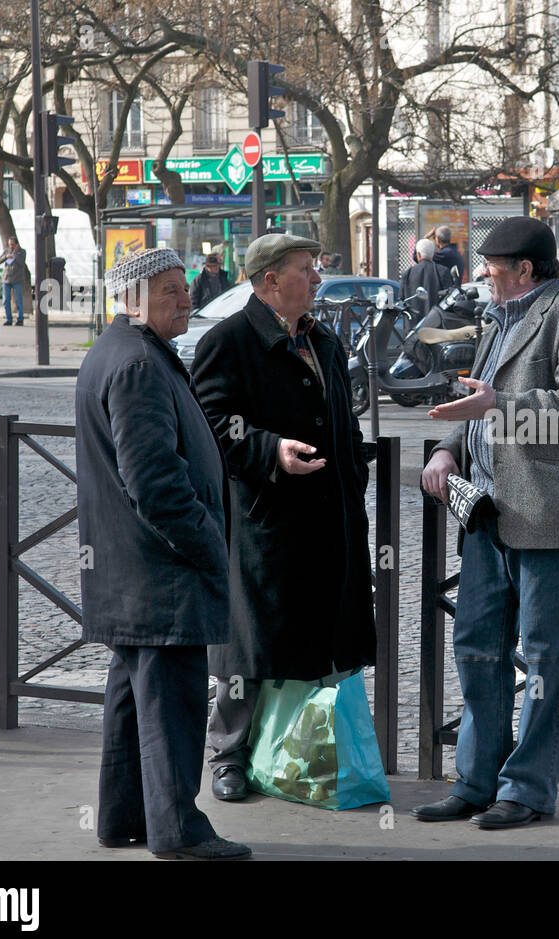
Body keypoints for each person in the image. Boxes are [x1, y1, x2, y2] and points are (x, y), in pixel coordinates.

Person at [414, 216, 559, 829]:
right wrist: (449, 446)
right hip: (487, 511)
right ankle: (476, 781)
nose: (482, 277)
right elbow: (479, 405)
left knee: (546, 656)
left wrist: (498, 405)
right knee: (475, 647)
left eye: (492, 269)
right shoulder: (502, 317)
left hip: (547, 514)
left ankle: (526, 790)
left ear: (524, 270)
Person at [75, 247, 250, 860]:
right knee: (169, 709)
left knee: (132, 700)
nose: (188, 299)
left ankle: (123, 816)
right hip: (160, 574)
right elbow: (154, 482)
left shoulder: (125, 351)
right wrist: (208, 545)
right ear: (132, 298)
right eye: (173, 290)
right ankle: (178, 831)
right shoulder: (138, 364)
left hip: (133, 570)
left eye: (185, 287)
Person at [191, 232, 377, 802]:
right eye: (306, 269)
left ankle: (309, 755)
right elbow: (210, 424)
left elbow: (343, 415)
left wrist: (354, 467)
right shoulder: (229, 340)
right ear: (270, 280)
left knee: (318, 639)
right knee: (251, 644)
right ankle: (228, 755)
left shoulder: (322, 339)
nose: (318, 279)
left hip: (329, 515)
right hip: (264, 518)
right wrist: (269, 450)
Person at [400, 238, 455, 319]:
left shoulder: (407, 273)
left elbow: (401, 300)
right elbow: (449, 299)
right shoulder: (443, 271)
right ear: (433, 254)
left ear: (418, 255)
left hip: (412, 325)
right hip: (435, 325)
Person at [0, 237, 28, 326]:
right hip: (7, 278)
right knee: (6, 300)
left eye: (12, 245)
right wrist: (6, 256)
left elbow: (21, 263)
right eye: (10, 244)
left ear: (16, 244)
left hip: (17, 279)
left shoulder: (22, 252)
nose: (11, 246)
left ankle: (20, 319)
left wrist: (15, 254)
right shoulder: (7, 251)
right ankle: (8, 319)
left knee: (18, 299)